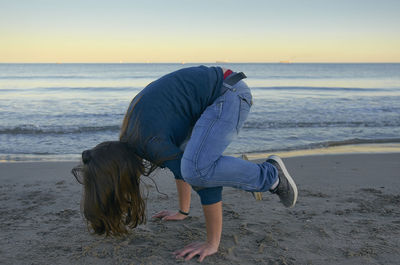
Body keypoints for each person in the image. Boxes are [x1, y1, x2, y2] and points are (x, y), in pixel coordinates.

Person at [71, 65, 298, 262]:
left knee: (201, 169)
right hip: (217, 94)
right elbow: (180, 163)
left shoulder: (150, 142)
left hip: (229, 94)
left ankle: (270, 175)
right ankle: (242, 171)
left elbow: (201, 180)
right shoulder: (134, 137)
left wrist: (211, 243)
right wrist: (183, 211)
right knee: (194, 164)